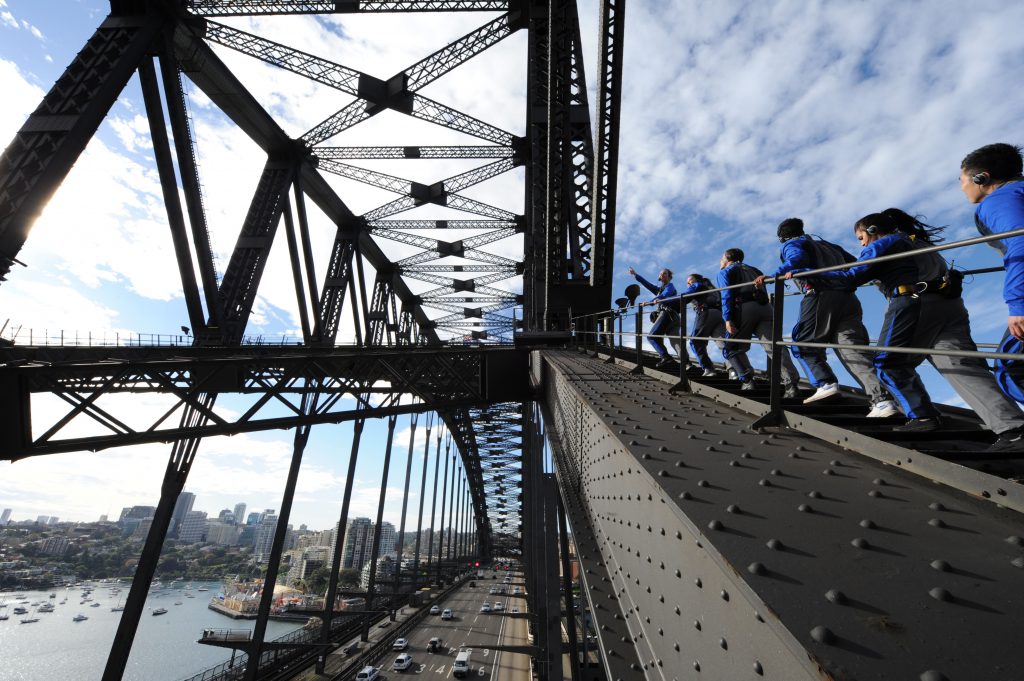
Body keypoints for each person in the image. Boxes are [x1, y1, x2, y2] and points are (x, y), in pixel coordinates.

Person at [803, 209, 1024, 448]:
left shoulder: (885, 243)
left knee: (889, 362)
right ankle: (1013, 428)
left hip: (914, 305)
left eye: (861, 237)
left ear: (874, 230)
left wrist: (811, 276)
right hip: (950, 305)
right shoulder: (917, 243)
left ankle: (922, 415)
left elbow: (854, 275)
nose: (862, 243)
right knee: (961, 365)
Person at [754, 218, 897, 416]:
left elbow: (796, 260)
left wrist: (773, 276)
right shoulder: (829, 246)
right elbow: (855, 264)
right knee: (852, 350)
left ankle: (825, 382)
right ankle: (882, 400)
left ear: (782, 237)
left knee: (803, 343)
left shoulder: (792, 243)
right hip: (848, 298)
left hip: (820, 294)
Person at [716, 248, 800, 395]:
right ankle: (791, 385)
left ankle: (747, 380)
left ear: (727, 258)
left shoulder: (725, 271)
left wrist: (728, 319)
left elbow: (726, 294)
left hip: (744, 308)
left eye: (722, 258)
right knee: (774, 346)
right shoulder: (754, 269)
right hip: (765, 307)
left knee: (730, 348)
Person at [627, 266, 683, 368]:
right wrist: (635, 275)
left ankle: (666, 357)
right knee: (663, 338)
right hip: (668, 316)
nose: (662, 275)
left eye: (665, 273)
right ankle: (675, 360)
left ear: (669, 277)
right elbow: (647, 284)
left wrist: (651, 302)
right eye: (661, 274)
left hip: (667, 314)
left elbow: (665, 295)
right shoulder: (659, 289)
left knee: (652, 336)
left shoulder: (670, 286)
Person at [681, 273, 725, 377]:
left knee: (695, 341)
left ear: (697, 280)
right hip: (719, 314)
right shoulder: (711, 287)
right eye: (687, 283)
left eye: (690, 281)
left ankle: (708, 368)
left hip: (706, 312)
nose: (688, 284)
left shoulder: (697, 286)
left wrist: (676, 301)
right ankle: (734, 369)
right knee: (723, 342)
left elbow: (685, 297)